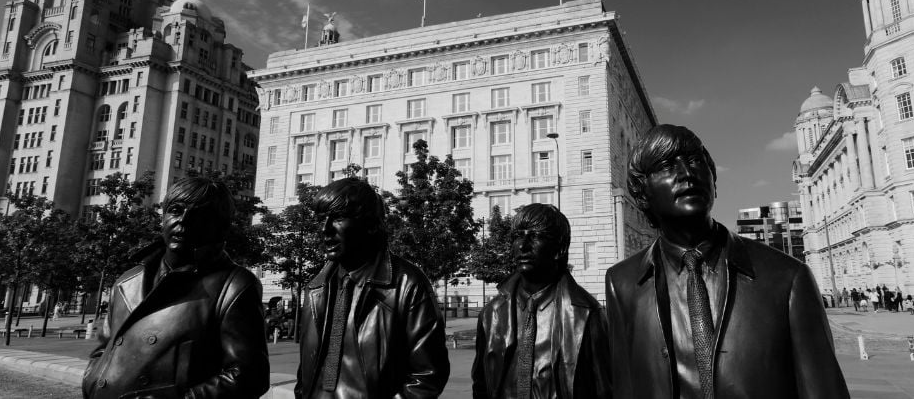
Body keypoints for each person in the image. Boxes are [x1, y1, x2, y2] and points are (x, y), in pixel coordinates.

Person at [605, 124, 848, 398]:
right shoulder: (621, 282)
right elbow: (626, 385)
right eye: (666, 166)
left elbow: (822, 389)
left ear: (714, 181)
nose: (687, 174)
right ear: (641, 193)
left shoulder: (787, 277)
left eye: (696, 161)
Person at [82, 177, 270, 399]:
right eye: (175, 210)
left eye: (201, 214)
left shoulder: (234, 286)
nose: (184, 220)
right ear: (162, 218)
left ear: (220, 226)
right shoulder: (126, 282)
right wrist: (91, 379)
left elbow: (249, 376)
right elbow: (104, 349)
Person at [295, 178, 449, 398]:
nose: (325, 229)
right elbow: (306, 370)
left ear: (370, 224)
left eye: (338, 218)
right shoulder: (316, 288)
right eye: (321, 219)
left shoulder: (407, 284)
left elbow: (427, 376)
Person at [472, 204, 610, 399]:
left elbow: (604, 389)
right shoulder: (491, 314)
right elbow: (481, 385)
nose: (523, 245)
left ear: (560, 248)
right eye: (518, 236)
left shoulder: (586, 315)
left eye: (535, 236)